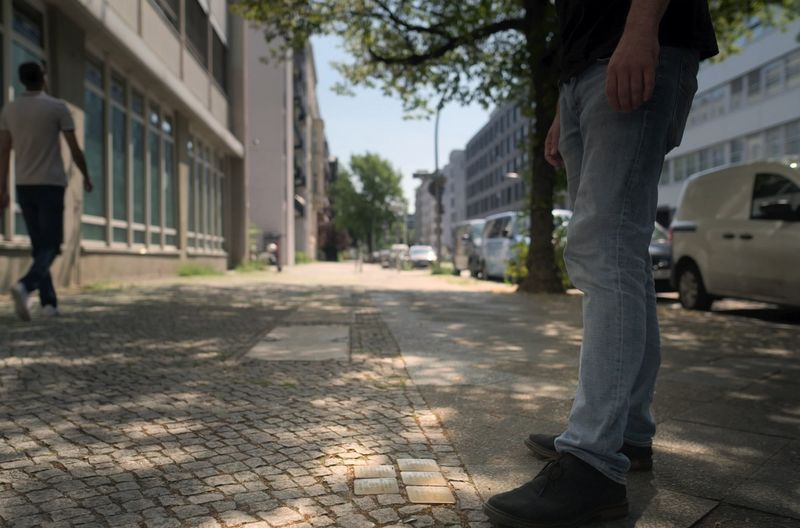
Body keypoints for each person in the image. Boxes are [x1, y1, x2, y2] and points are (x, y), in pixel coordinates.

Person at [484, 1, 717, 526]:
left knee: (603, 247)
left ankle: (592, 461)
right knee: (619, 257)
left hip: (631, 41)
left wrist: (639, 25)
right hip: (584, 68)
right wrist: (565, 101)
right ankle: (626, 432)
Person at [0, 62, 93, 321]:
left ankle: (49, 304)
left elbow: (4, 152)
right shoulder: (56, 107)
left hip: (24, 184)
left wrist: (2, 188)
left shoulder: (10, 109)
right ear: (43, 78)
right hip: (50, 184)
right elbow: (74, 148)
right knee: (52, 245)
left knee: (40, 245)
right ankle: (25, 285)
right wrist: (86, 175)